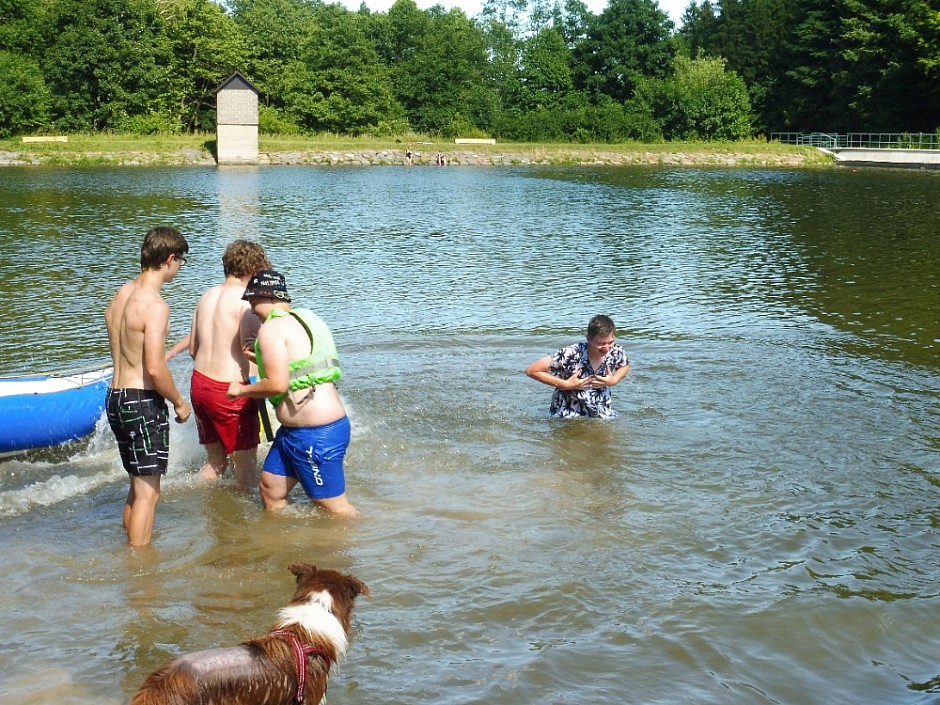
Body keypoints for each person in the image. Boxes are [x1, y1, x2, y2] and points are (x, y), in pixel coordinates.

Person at [227, 270, 358, 516]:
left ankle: (370, 546)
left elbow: (277, 385)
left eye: (254, 302)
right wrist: (263, 359)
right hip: (295, 433)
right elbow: (301, 364)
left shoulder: (271, 329)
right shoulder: (307, 318)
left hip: (316, 435)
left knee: (334, 508)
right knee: (270, 489)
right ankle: (282, 548)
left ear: (270, 298)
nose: (252, 310)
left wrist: (240, 390)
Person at [105, 226, 192, 546]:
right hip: (141, 402)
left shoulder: (121, 294)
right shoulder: (155, 305)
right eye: (181, 261)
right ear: (170, 259)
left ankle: (129, 554)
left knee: (136, 486)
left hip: (115, 397)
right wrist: (179, 402)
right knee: (148, 494)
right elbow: (155, 367)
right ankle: (142, 579)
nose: (180, 268)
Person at [187, 240, 271, 491]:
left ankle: (200, 510)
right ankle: (248, 525)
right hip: (229, 391)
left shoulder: (206, 296)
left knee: (215, 463)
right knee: (245, 473)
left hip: (200, 385)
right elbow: (259, 353)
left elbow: (193, 350)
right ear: (256, 271)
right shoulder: (247, 303)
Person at [525, 314, 630, 419]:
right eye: (601, 343)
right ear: (589, 339)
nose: (606, 348)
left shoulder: (616, 352)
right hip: (567, 413)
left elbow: (625, 365)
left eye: (610, 342)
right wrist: (565, 384)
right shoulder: (570, 353)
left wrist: (615, 380)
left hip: (601, 412)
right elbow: (532, 370)